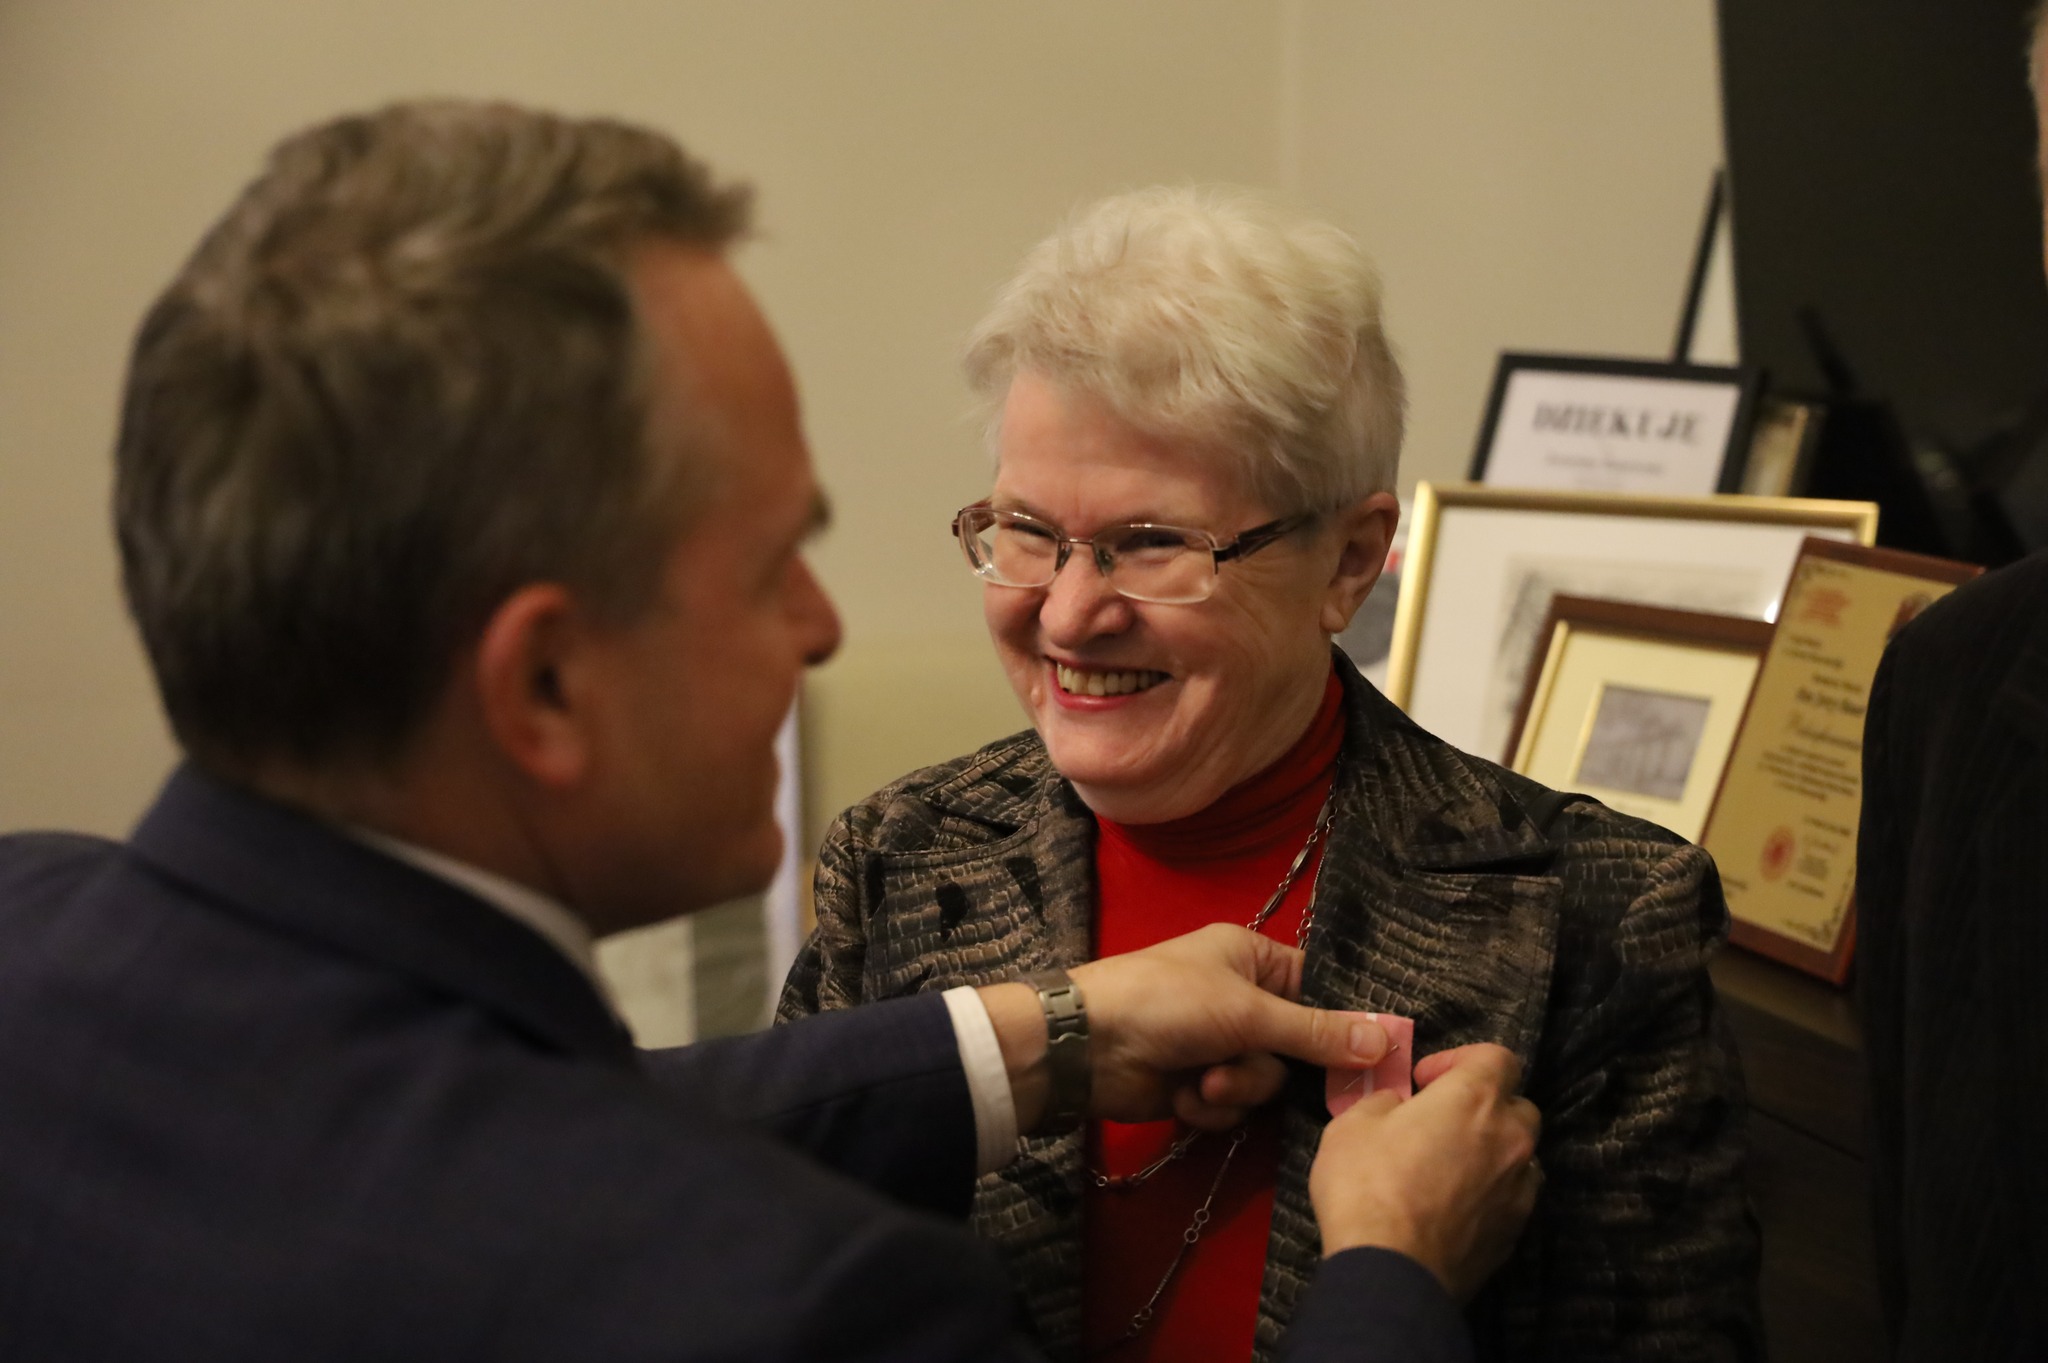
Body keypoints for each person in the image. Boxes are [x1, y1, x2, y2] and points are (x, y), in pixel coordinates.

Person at [0, 102, 1543, 1362]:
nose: (820, 627)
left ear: (1349, 555)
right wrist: (1392, 1276)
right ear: (543, 685)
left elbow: (565, 1113)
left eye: (1149, 541)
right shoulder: (780, 1301)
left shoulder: (28, 929)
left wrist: (1048, 1034)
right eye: (767, 567)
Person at [781, 186, 1761, 1362]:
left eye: (1153, 543)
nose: (1070, 612)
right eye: (1028, 530)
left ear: (1348, 561)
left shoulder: (1595, 917)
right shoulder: (898, 856)